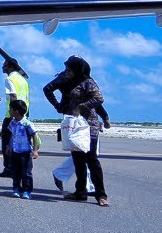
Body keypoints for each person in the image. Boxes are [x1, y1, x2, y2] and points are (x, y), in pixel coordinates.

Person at [43, 55, 111, 206]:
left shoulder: (88, 82)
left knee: (91, 160)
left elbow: (99, 99)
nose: (66, 71)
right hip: (74, 125)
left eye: (69, 69)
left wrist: (81, 107)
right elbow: (48, 89)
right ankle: (80, 192)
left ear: (77, 70)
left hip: (89, 126)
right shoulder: (68, 81)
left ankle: (101, 194)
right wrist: (59, 106)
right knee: (78, 160)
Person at [0, 58, 29, 179]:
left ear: (10, 67)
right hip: (23, 114)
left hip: (12, 116)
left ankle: (8, 168)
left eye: (4, 65)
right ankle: (18, 168)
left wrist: (12, 115)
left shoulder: (9, 79)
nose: (2, 67)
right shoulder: (23, 80)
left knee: (7, 142)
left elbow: (13, 96)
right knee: (19, 142)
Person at [7, 100, 39, 199]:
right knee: (15, 171)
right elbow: (12, 135)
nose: (9, 111)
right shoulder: (12, 123)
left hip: (25, 152)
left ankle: (27, 190)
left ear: (16, 111)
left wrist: (35, 150)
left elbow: (34, 136)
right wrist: (8, 146)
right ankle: (16, 188)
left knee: (26, 173)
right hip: (15, 151)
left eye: (10, 109)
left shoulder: (27, 123)